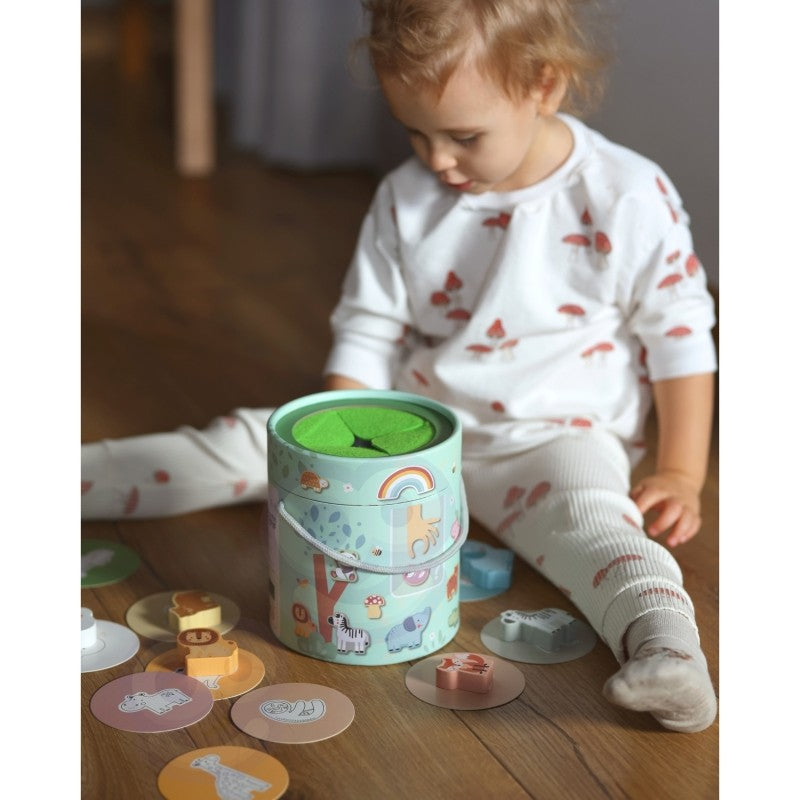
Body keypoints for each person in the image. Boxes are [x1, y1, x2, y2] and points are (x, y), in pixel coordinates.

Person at [82, 0, 718, 732]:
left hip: (550, 440)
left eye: (463, 136)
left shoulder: (625, 193)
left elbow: (680, 335)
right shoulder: (406, 196)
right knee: (234, 441)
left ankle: (670, 657)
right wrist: (333, 438)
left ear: (543, 85)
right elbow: (367, 327)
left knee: (598, 527)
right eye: (413, 132)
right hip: (410, 431)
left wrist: (676, 470)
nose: (437, 159)